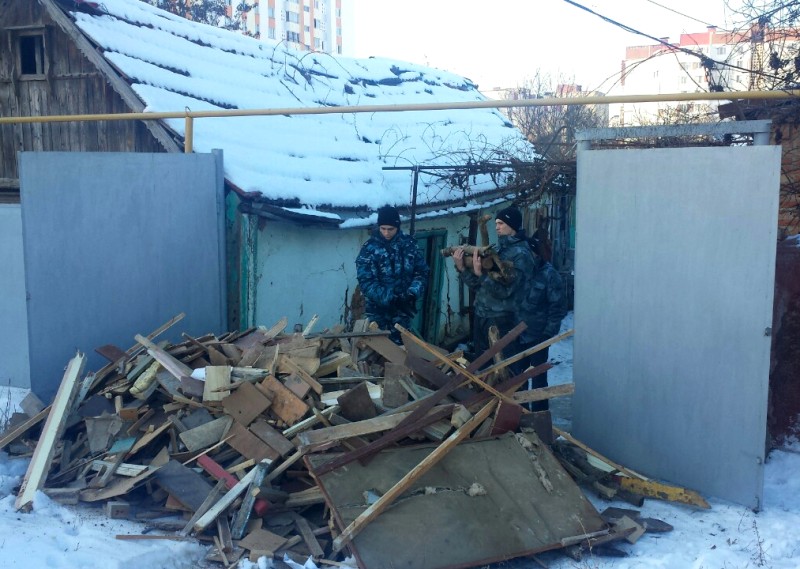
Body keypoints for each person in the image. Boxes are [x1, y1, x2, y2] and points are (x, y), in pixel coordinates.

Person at [452, 206, 534, 364]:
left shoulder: (521, 255)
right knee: (482, 366)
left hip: (503, 321)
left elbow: (507, 292)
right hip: (483, 316)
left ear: (513, 225)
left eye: (501, 223)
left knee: (504, 368)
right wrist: (462, 269)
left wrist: (481, 275)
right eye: (496, 223)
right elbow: (479, 287)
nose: (497, 227)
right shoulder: (498, 250)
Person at [356, 205, 429, 344]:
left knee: (402, 348)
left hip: (402, 311)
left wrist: (412, 294)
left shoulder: (409, 245)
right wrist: (391, 299)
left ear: (398, 227)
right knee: (377, 348)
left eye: (390, 229)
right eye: (383, 228)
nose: (386, 233)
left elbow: (421, 272)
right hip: (377, 312)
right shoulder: (369, 249)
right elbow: (366, 282)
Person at [516, 237, 567, 411]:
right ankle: (520, 415)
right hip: (517, 336)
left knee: (538, 378)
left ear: (535, 254)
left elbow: (558, 308)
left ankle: (540, 416)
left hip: (538, 336)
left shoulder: (549, 275)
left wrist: (547, 334)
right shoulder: (519, 272)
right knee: (517, 379)